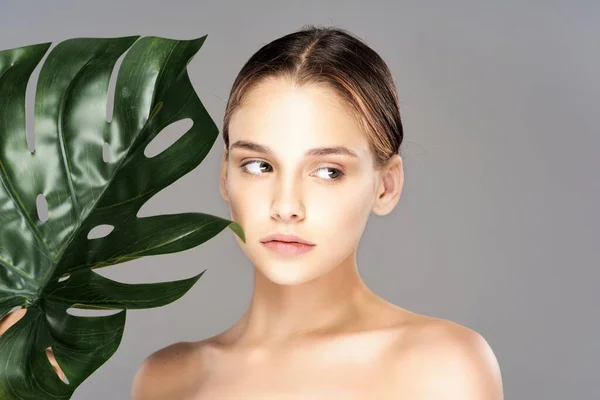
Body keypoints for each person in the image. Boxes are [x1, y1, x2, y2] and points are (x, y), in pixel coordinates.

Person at [130, 25, 503, 399]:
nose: (286, 207)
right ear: (226, 175)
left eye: (328, 171)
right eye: (259, 165)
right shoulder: (166, 380)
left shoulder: (441, 369)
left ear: (386, 185)